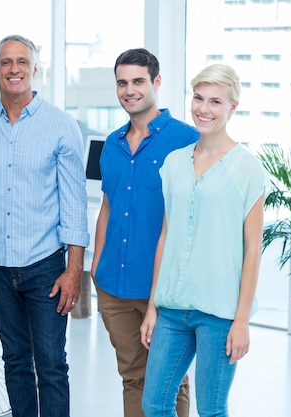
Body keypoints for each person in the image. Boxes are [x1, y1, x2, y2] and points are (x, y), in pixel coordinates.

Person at [0, 34, 89, 417]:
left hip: (46, 265)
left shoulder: (62, 126)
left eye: (22, 61)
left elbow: (74, 202)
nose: (14, 69)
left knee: (51, 365)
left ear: (35, 69)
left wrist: (74, 269)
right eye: (5, 62)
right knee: (15, 361)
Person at [140, 64, 268, 417]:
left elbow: (253, 249)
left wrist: (241, 320)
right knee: (155, 403)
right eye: (198, 98)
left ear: (232, 107)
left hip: (220, 312)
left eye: (215, 101)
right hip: (172, 308)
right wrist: (153, 306)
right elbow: (167, 235)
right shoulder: (174, 163)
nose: (203, 109)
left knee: (211, 409)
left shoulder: (248, 169)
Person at [89, 48, 197, 417]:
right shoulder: (112, 144)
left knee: (171, 381)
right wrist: (95, 265)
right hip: (113, 286)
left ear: (157, 82)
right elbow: (107, 206)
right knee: (133, 377)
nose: (129, 90)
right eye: (122, 82)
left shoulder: (187, 140)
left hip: (163, 290)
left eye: (138, 81)